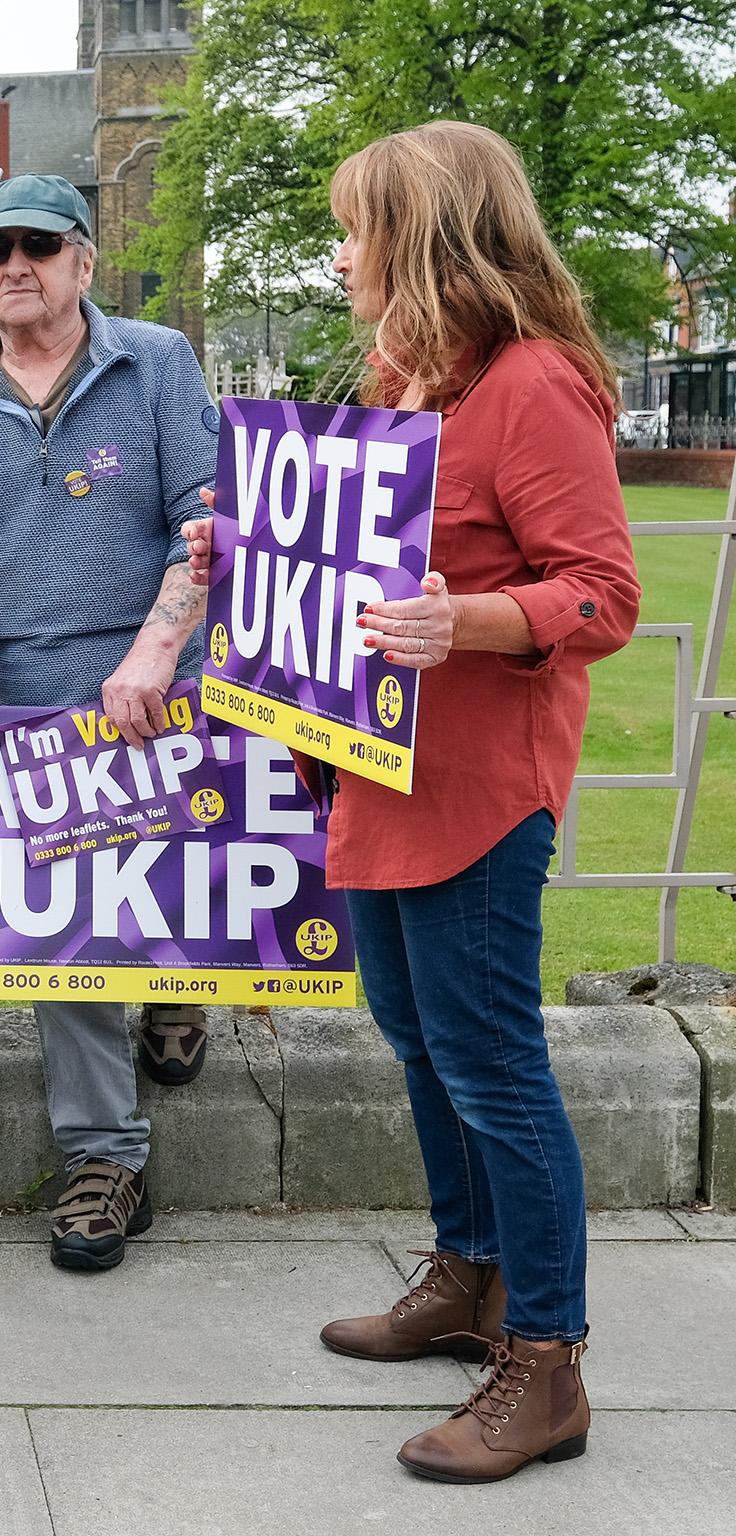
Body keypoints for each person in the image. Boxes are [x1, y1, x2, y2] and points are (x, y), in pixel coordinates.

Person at [185, 121, 640, 1482]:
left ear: (424, 239)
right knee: (415, 1036)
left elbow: (602, 592)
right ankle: (470, 1273)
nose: (340, 254)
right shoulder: (410, 380)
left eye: (354, 228)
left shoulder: (534, 386)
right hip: (376, 772)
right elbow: (359, 552)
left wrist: (480, 619)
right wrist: (248, 540)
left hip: (481, 790)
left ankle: (545, 1363)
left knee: (494, 1065)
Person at [0, 173, 219, 1273]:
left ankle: (178, 986)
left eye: (37, 245)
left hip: (152, 674)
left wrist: (152, 652)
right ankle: (105, 1157)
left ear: (84, 259)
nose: (13, 266)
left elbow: (205, 524)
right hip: (22, 702)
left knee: (176, 884)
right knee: (66, 931)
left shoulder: (157, 362)